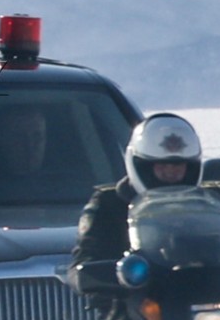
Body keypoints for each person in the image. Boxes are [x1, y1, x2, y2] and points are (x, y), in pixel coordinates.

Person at [71, 112, 204, 275]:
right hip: (132, 297)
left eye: (178, 165)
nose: (170, 172)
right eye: (161, 165)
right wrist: (112, 275)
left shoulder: (210, 203)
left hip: (200, 296)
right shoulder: (108, 205)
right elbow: (84, 263)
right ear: (142, 165)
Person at [0, 106, 49, 177]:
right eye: (19, 137)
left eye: (37, 137)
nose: (29, 146)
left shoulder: (60, 181)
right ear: (2, 140)